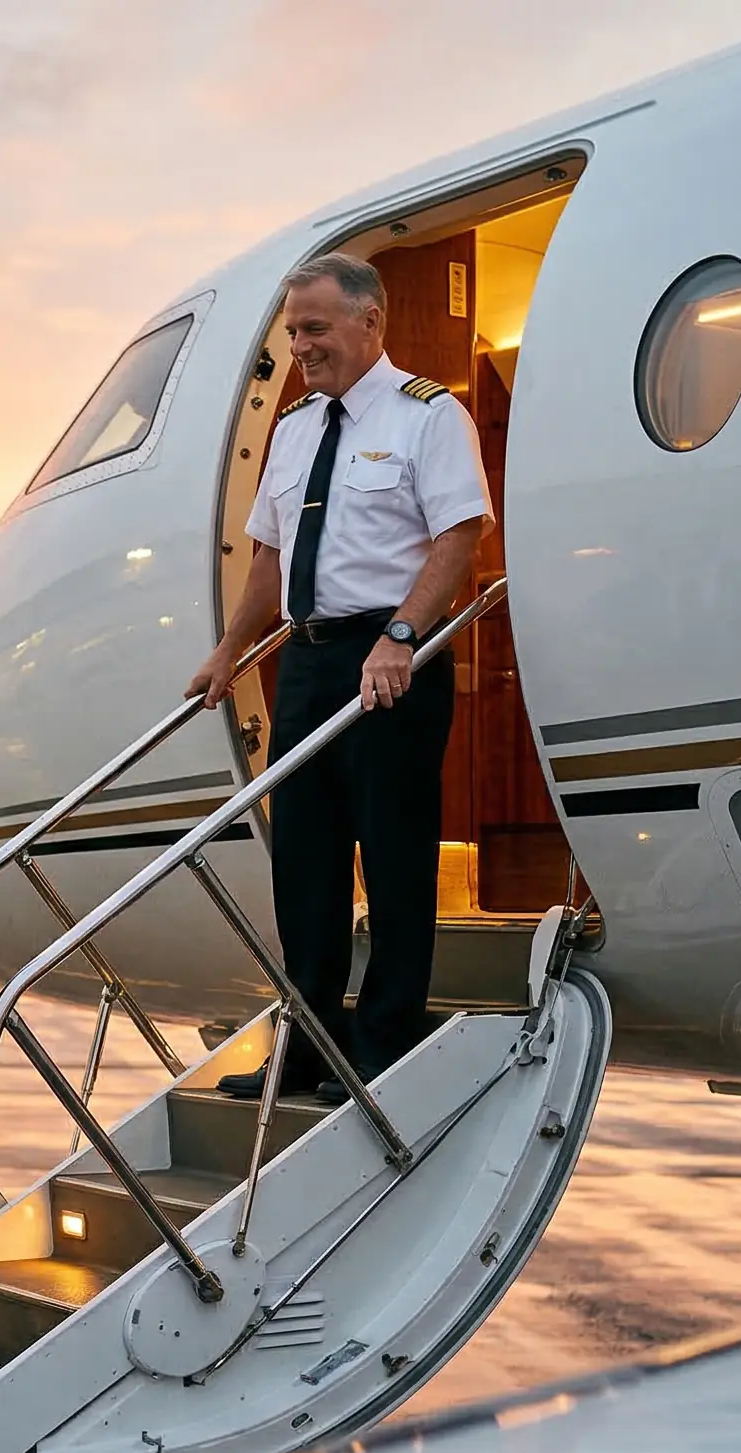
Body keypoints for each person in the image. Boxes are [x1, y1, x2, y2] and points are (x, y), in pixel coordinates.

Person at [187, 253, 494, 1103]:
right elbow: (270, 558)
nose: (301, 348)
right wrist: (231, 648)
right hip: (312, 658)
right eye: (292, 333)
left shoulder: (429, 417)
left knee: (393, 855)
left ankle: (385, 1040)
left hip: (394, 655)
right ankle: (309, 1044)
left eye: (314, 329)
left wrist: (402, 633)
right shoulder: (291, 430)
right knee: (306, 863)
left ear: (370, 322)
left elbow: (460, 535)